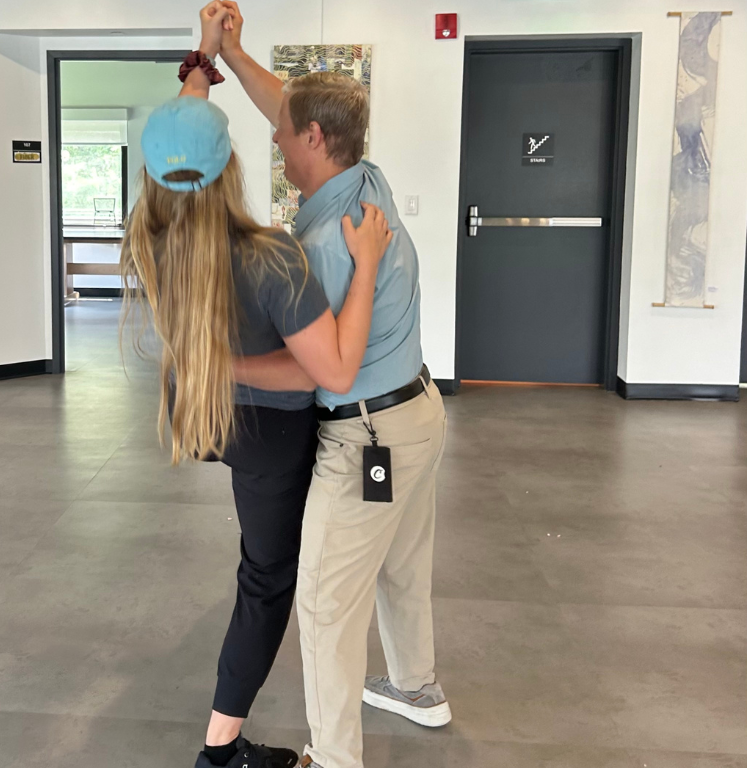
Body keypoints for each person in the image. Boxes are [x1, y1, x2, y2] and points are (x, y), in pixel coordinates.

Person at [118, 5, 393, 768]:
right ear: (230, 166)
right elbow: (333, 370)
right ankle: (220, 751)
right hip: (274, 432)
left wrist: (209, 57)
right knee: (267, 582)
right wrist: (366, 263)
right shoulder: (272, 256)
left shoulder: (150, 234)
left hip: (217, 419)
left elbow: (182, 145)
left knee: (265, 560)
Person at [213, 5, 451, 768]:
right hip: (419, 414)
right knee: (403, 567)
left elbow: (325, 368)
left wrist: (227, 368)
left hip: (366, 432)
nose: (276, 139)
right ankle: (417, 686)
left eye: (285, 132)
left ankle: (336, 759)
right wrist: (236, 54)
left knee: (321, 602)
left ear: (315, 140)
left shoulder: (320, 246)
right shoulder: (364, 179)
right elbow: (289, 100)